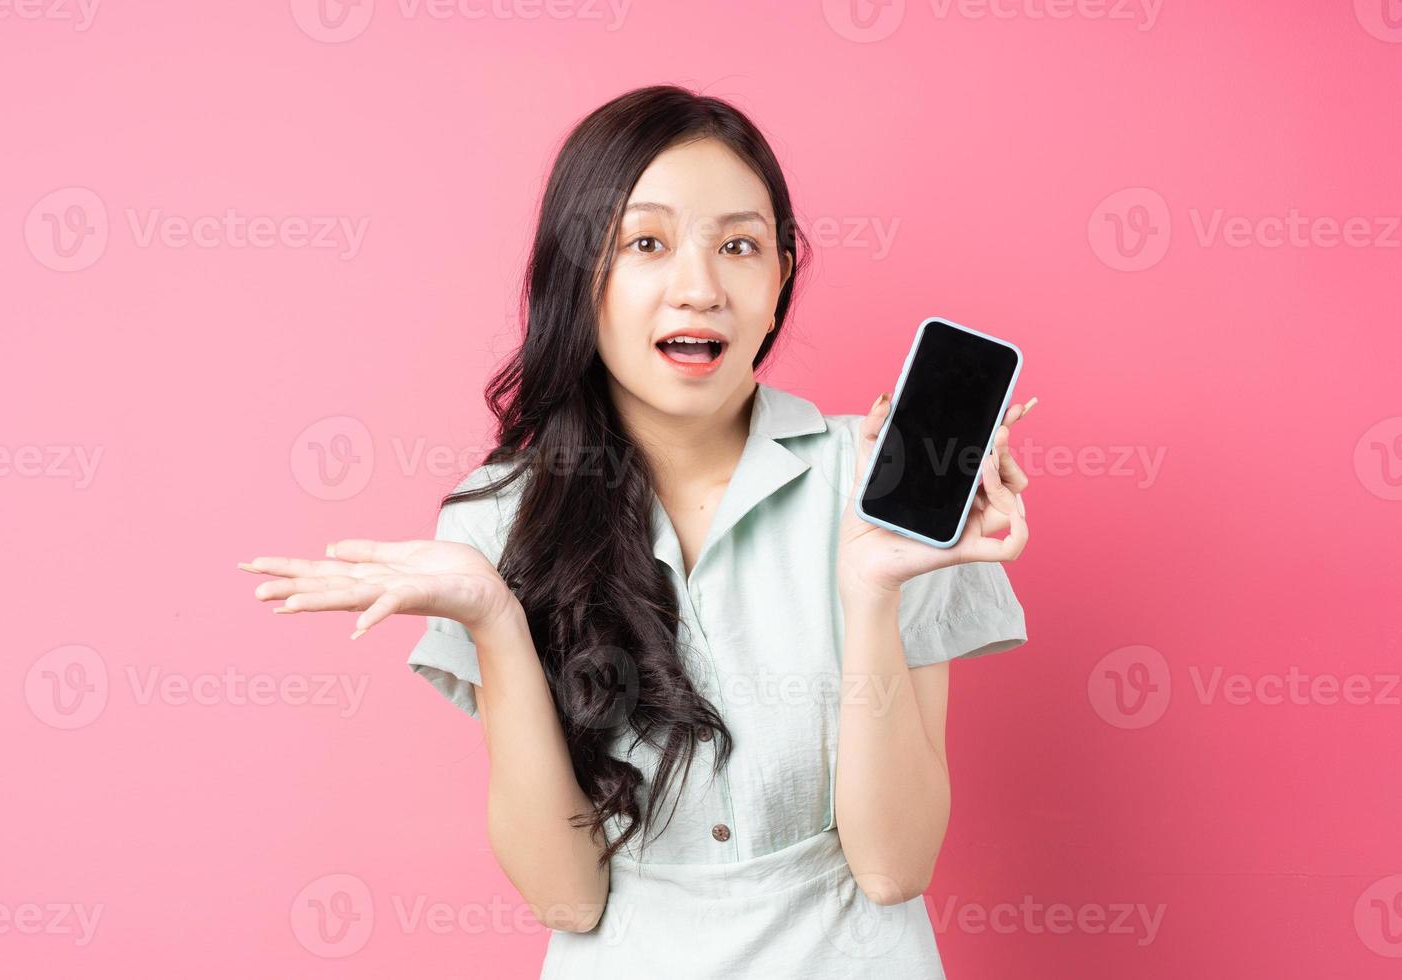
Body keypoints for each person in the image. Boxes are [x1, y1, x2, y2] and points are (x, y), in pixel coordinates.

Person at [240, 84, 1035, 978]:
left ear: (779, 281)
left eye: (739, 245)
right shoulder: (495, 519)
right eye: (647, 243)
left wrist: (871, 594)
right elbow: (566, 897)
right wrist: (494, 619)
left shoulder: (880, 494)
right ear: (580, 277)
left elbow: (894, 868)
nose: (700, 288)